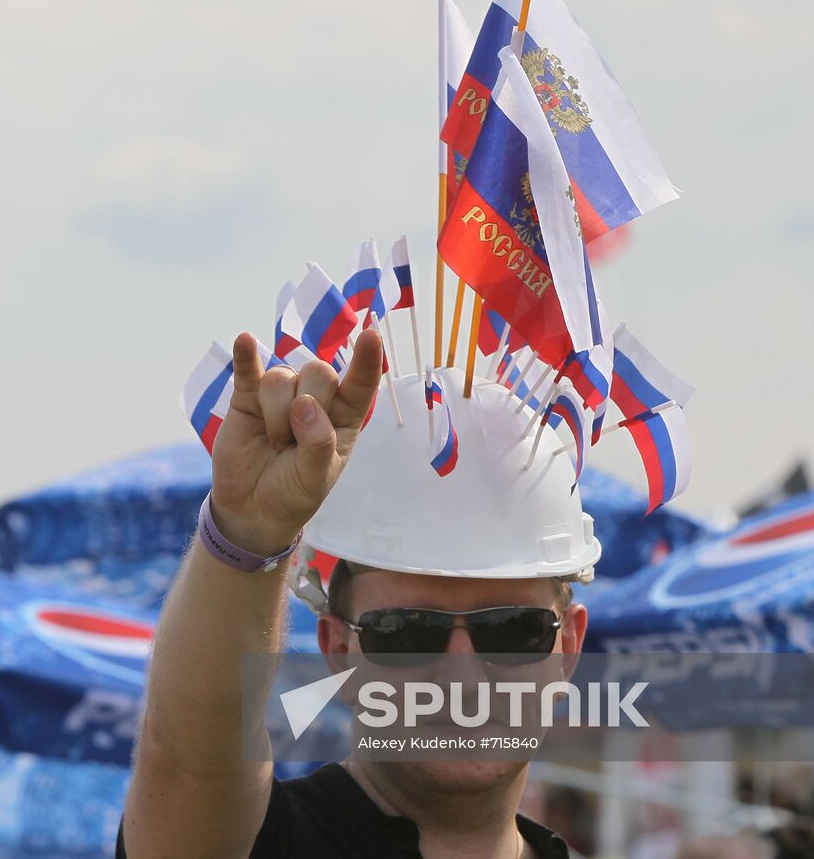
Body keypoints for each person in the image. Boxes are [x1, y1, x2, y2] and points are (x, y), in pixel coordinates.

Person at [117, 328, 600, 858]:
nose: (463, 677)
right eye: (408, 632)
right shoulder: (264, 845)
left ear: (569, 646)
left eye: (512, 629)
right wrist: (246, 534)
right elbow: (187, 762)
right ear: (339, 649)